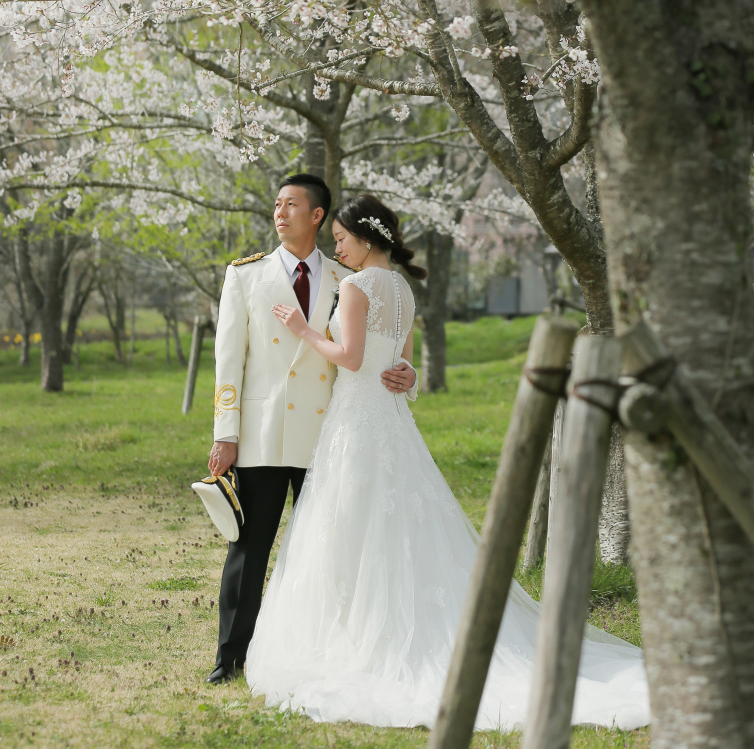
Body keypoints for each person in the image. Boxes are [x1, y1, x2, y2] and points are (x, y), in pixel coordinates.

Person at [245, 193, 650, 731]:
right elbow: (402, 362)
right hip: (388, 419)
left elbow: (353, 357)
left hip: (358, 420)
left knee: (351, 523)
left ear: (366, 239)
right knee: (387, 524)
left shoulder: (358, 286)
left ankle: (358, 635)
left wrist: (301, 329)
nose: (336, 248)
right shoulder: (403, 290)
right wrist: (408, 375)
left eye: (341, 239)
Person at [205, 174, 418, 685]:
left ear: (318, 215)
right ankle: (230, 657)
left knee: (334, 548)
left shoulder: (347, 275)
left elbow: (379, 347)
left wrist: (410, 374)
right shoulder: (245, 275)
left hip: (330, 435)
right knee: (248, 549)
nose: (279, 213)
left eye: (291, 205)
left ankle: (332, 650)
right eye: (275, 204)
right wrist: (225, 432)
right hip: (262, 432)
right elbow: (228, 361)